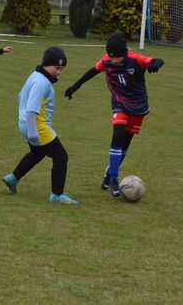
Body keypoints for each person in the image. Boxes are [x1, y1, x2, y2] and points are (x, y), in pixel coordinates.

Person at [64, 33, 164, 197]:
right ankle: (113, 180)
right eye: (111, 57)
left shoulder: (135, 59)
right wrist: (75, 86)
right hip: (119, 103)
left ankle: (108, 175)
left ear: (124, 53)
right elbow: (92, 72)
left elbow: (155, 60)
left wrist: (156, 64)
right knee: (117, 137)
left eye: (116, 57)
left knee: (124, 145)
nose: (113, 60)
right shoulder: (106, 61)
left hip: (138, 107)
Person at [2, 47, 78, 205]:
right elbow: (31, 109)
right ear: (47, 64)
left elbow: (20, 97)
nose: (59, 72)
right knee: (61, 156)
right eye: (57, 68)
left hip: (26, 124)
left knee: (37, 153)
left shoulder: (35, 76)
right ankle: (57, 194)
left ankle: (12, 178)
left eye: (62, 69)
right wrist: (32, 132)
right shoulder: (42, 82)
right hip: (36, 127)